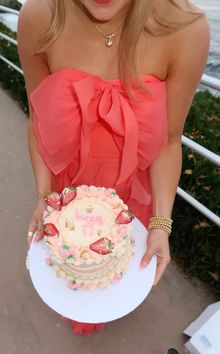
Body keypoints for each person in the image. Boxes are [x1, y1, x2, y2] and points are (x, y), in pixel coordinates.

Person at [17, 0, 210, 335]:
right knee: (77, 268)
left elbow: (168, 141)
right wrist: (44, 195)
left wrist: (161, 223)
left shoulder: (186, 28)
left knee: (116, 269)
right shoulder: (38, 17)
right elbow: (39, 122)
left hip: (134, 191)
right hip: (68, 187)